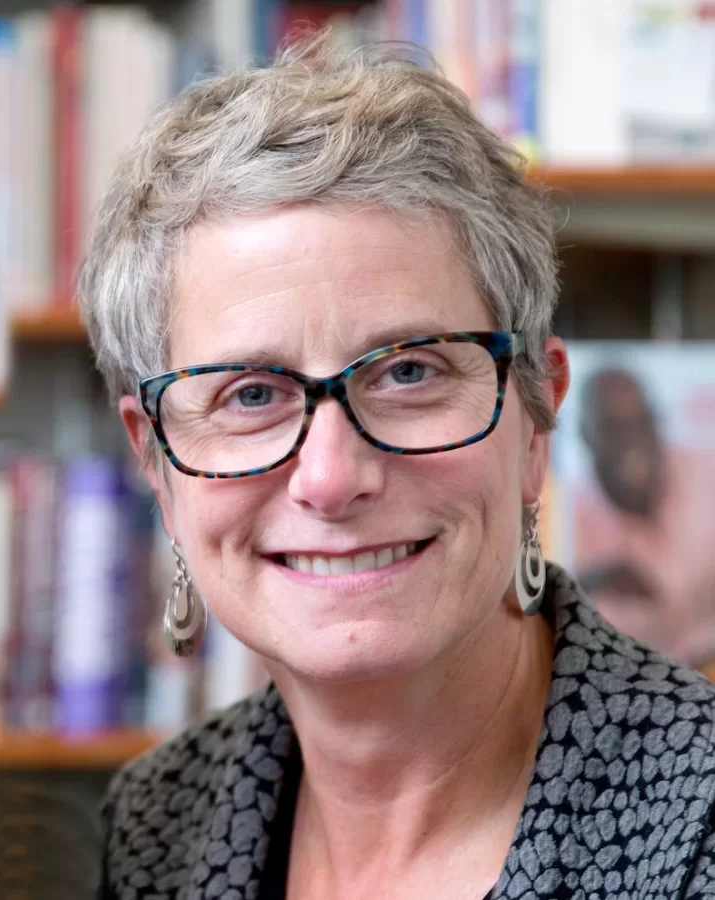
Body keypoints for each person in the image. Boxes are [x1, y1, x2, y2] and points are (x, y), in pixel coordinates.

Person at [80, 35, 715, 900]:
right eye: (249, 395)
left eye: (408, 372)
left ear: (536, 419)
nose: (333, 479)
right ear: (156, 462)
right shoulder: (157, 827)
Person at [574, 367, 715, 666]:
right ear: (585, 436)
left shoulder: (707, 472)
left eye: (642, 422)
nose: (633, 440)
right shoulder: (567, 523)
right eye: (613, 428)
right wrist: (586, 580)